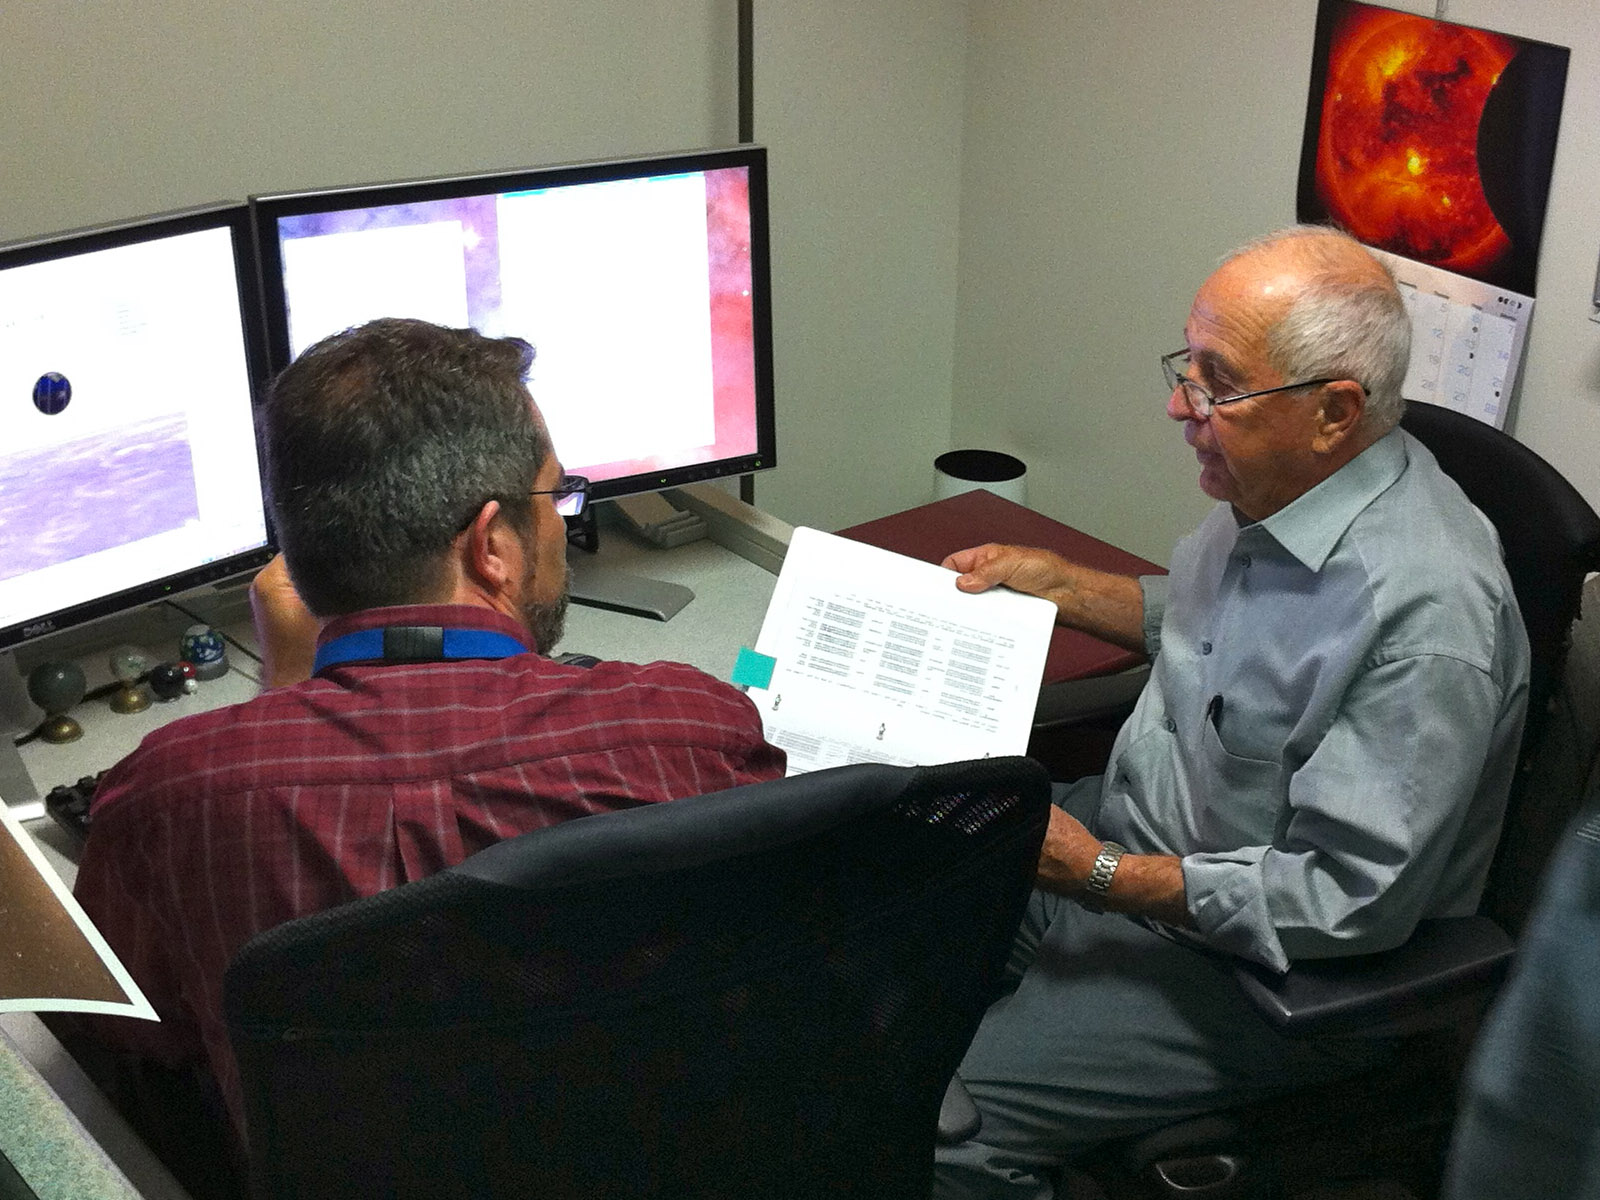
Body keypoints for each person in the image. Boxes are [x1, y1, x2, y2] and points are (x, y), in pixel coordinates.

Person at [69, 318, 786, 1138]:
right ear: (492, 546)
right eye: (556, 497)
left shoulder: (170, 799)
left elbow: (123, 1031)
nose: (562, 523)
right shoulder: (690, 735)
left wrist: (291, 692)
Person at [932, 227, 1531, 1196]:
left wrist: (1097, 874)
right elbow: (1220, 630)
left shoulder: (1425, 616)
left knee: (942, 1133)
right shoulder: (1274, 487)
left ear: (1334, 410)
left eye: (1216, 382)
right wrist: (1059, 584)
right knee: (865, 916)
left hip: (1244, 967)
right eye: (1186, 365)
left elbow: (1345, 902)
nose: (1180, 405)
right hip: (1123, 844)